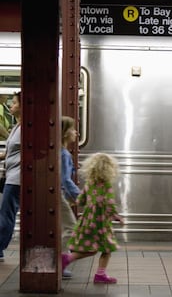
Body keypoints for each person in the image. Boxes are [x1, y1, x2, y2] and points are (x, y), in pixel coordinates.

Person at [62, 152, 124, 283]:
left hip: (88, 221)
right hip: (101, 223)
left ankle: (68, 259)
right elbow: (109, 203)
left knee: (91, 249)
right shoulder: (106, 186)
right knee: (107, 249)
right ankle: (99, 274)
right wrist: (116, 216)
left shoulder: (89, 184)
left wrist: (75, 203)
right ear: (108, 169)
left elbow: (81, 200)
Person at [0, 92, 20, 262]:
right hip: (11, 175)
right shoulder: (17, 127)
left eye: (14, 103)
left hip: (17, 179)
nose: (11, 106)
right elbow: (9, 152)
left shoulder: (26, 128)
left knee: (6, 213)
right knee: (6, 212)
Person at [60, 116, 81, 278]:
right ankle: (61, 261)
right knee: (71, 228)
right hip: (59, 196)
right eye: (73, 129)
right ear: (65, 132)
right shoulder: (64, 154)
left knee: (62, 228)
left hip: (59, 195)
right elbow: (65, 180)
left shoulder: (59, 151)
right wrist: (79, 197)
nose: (76, 132)